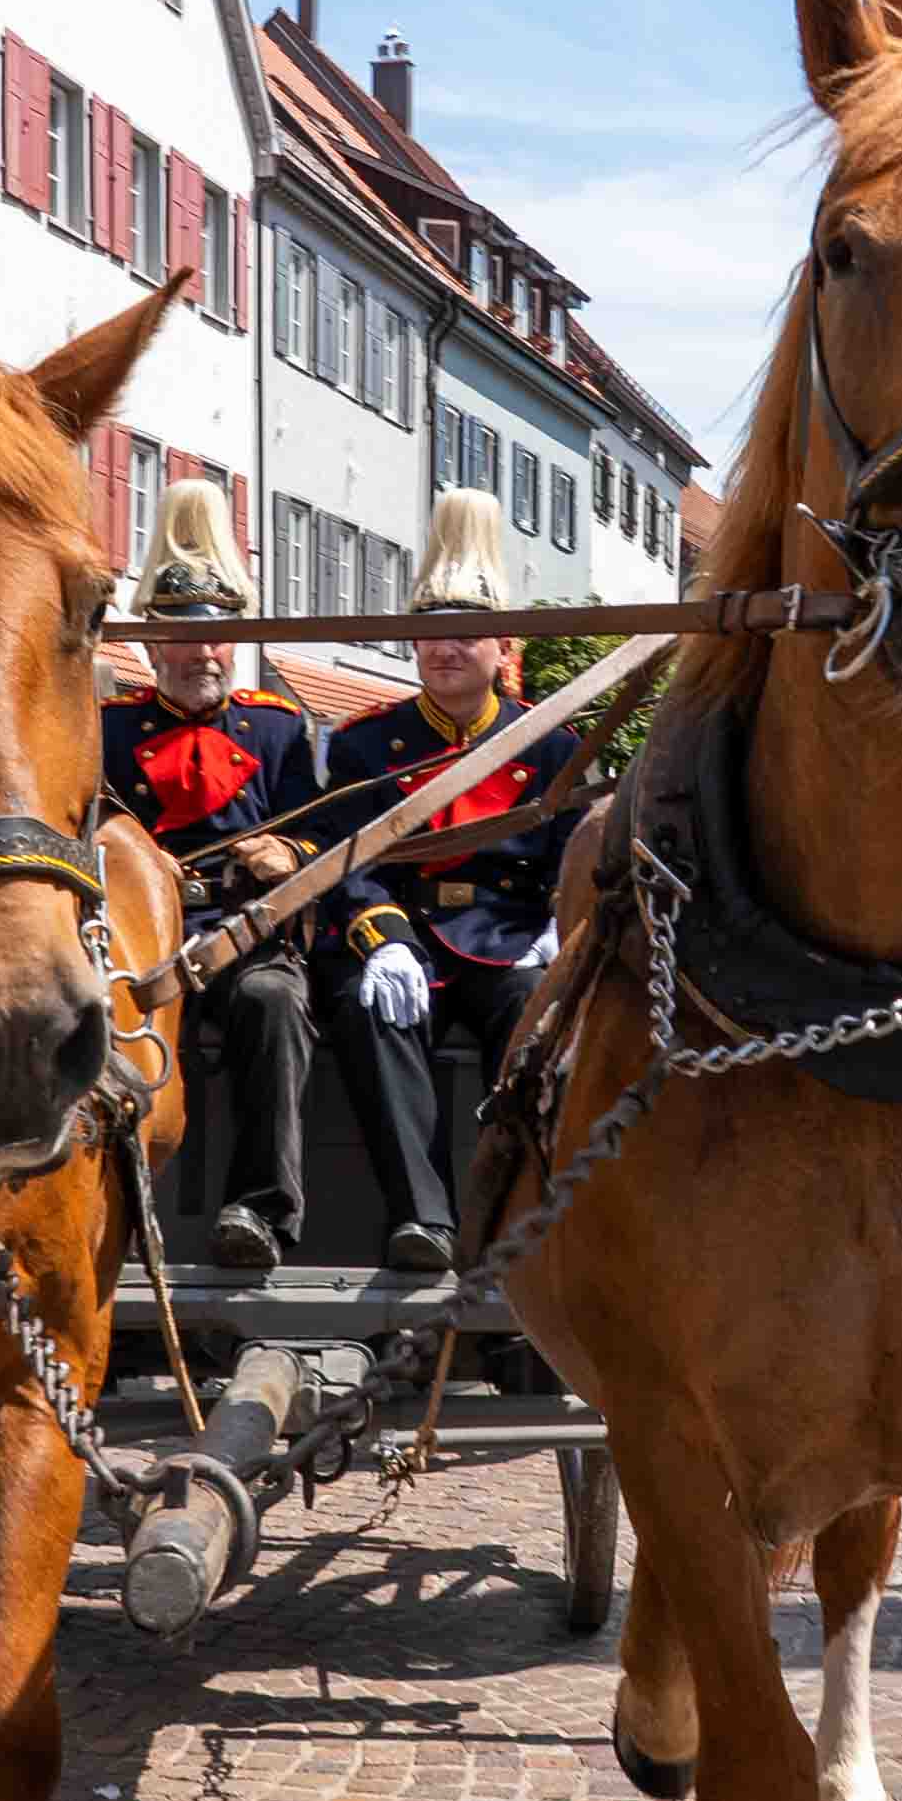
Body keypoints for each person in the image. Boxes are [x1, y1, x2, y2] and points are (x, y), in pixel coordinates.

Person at [303, 491, 581, 1275]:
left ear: (502, 649)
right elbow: (343, 856)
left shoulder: (550, 743)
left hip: (509, 939)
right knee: (368, 1007)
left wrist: (561, 929)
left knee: (543, 1024)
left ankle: (520, 1223)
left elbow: (572, 849)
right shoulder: (366, 744)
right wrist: (382, 940)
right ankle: (421, 1220)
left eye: (464, 635)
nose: (444, 649)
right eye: (429, 634)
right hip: (408, 936)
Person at [99, 480, 325, 1278]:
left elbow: (319, 831)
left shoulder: (279, 727)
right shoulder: (109, 728)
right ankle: (111, 1221)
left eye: (217, 637)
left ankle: (259, 1211)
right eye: (182, 639)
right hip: (132, 936)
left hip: (241, 933)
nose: (203, 652)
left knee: (275, 999)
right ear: (152, 647)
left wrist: (288, 857)